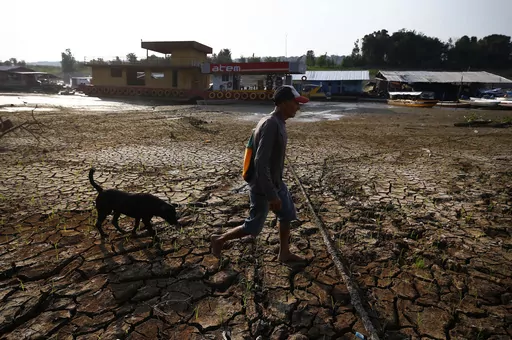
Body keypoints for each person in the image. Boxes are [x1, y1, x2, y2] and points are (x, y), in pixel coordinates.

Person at [211, 85, 309, 263]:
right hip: (264, 187)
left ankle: (284, 253)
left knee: (287, 214)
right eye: (295, 103)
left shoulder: (277, 122)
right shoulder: (271, 124)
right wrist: (271, 195)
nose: (298, 107)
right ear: (283, 103)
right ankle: (219, 240)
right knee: (253, 226)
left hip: (276, 182)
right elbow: (260, 162)